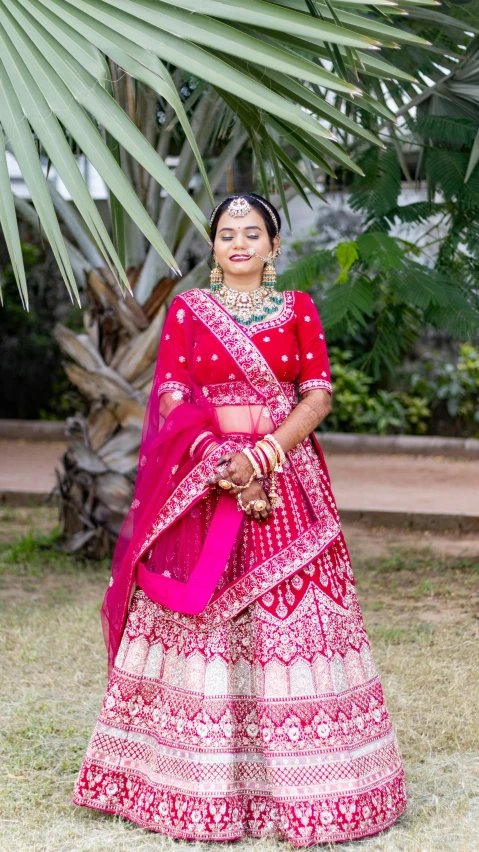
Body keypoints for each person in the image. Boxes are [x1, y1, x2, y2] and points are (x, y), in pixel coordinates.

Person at [73, 192, 407, 845]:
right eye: (227, 233)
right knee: (199, 618)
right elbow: (170, 390)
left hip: (286, 481)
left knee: (294, 618)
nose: (239, 243)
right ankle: (182, 783)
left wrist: (262, 453)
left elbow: (317, 395)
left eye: (252, 233)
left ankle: (315, 786)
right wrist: (210, 454)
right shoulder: (189, 311)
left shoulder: (298, 309)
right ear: (213, 246)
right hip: (204, 482)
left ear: (274, 247)